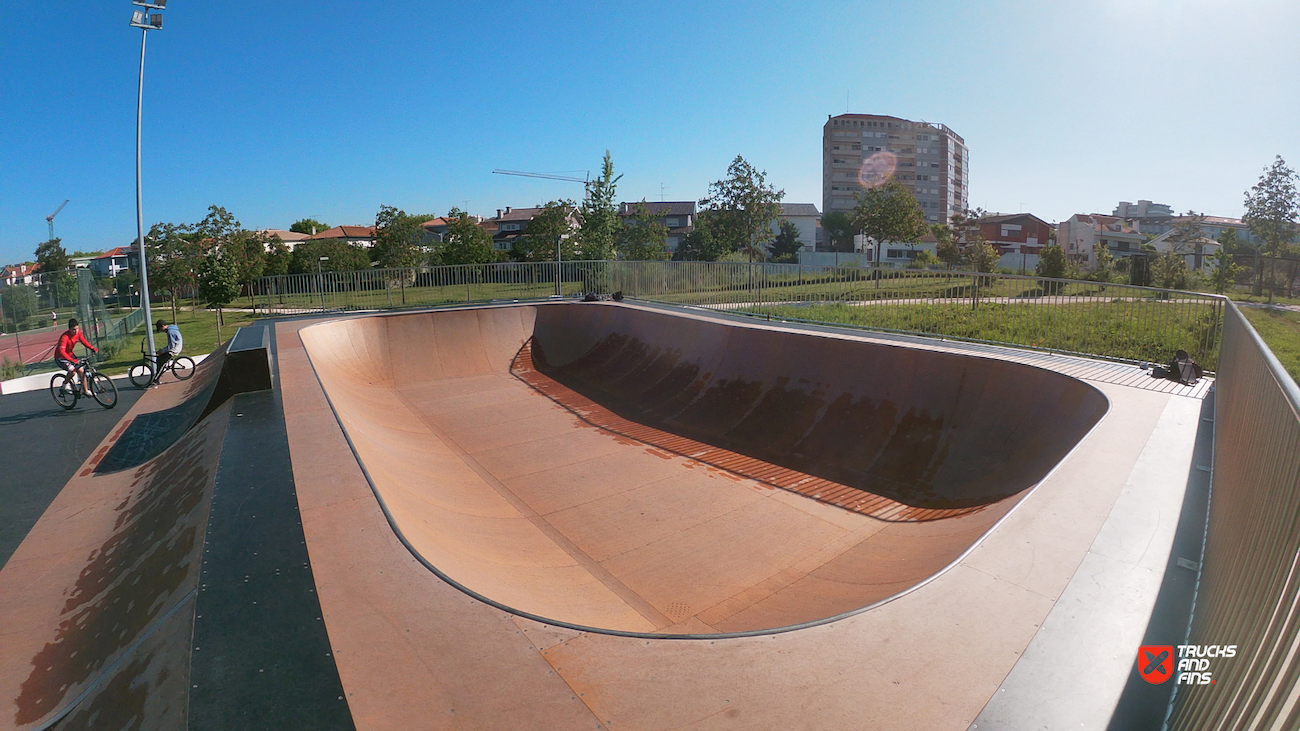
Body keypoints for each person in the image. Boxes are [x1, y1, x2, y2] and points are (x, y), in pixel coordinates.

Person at [55, 318, 98, 394]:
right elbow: (62, 352)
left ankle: (86, 391)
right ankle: (64, 386)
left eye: (77, 329)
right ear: (69, 329)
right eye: (73, 329)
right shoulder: (64, 337)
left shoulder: (78, 333)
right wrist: (71, 360)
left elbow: (83, 341)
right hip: (61, 358)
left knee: (81, 370)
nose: (76, 331)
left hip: (70, 355)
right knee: (72, 370)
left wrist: (92, 348)